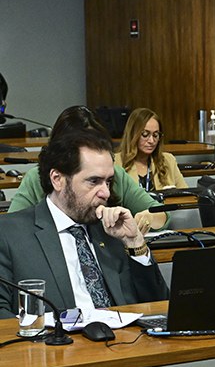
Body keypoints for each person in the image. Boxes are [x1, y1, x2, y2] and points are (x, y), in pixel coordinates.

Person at [0, 129, 169, 318]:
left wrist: (135, 244)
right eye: (94, 181)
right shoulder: (9, 233)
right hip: (55, 344)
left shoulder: (112, 229)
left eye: (108, 182)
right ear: (57, 179)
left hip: (126, 343)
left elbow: (159, 306)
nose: (105, 192)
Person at [9, 106, 169, 233]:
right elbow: (12, 228)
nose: (104, 191)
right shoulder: (35, 178)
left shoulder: (116, 175)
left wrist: (147, 217)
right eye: (93, 181)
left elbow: (161, 215)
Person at [116, 108, 188, 191]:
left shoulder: (168, 160)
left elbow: (185, 195)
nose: (151, 141)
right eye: (145, 134)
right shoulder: (116, 163)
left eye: (155, 135)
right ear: (133, 135)